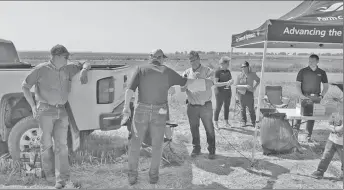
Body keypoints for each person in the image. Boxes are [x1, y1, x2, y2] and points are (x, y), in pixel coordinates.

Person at [122, 49, 196, 185]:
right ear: (161, 59)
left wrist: (126, 107)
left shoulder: (140, 68)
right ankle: (153, 177)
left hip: (141, 109)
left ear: (150, 57)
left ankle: (132, 176)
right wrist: (206, 83)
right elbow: (186, 82)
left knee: (135, 144)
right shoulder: (167, 71)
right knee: (157, 145)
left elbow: (129, 90)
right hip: (160, 111)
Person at [22, 44, 91, 189]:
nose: (68, 59)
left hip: (62, 111)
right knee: (46, 144)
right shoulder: (40, 70)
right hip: (45, 111)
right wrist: (33, 107)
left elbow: (86, 62)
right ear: (57, 56)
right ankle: (49, 176)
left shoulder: (68, 68)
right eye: (66, 57)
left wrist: (84, 69)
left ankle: (62, 180)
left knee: (62, 146)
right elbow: (25, 86)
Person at [181, 51, 216, 160]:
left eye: (194, 59)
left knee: (209, 128)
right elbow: (182, 88)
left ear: (199, 59)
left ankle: (211, 150)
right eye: (190, 60)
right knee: (194, 128)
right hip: (192, 107)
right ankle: (196, 148)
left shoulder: (208, 70)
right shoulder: (186, 72)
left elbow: (210, 84)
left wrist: (195, 81)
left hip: (206, 106)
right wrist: (191, 82)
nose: (192, 62)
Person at [295, 54, 329, 142]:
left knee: (312, 116)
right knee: (299, 116)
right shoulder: (302, 71)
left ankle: (308, 136)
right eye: (309, 61)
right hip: (303, 96)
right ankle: (294, 135)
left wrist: (322, 95)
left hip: (316, 97)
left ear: (317, 61)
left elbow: (326, 86)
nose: (310, 62)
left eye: (312, 61)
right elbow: (298, 85)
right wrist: (301, 95)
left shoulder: (322, 72)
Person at [311, 108, 343, 179]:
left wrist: (335, 128)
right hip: (331, 140)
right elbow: (329, 124)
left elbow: (341, 129)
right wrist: (334, 128)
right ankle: (320, 171)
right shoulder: (335, 113)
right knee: (326, 156)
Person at [235, 61, 260, 128]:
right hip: (241, 93)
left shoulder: (252, 74)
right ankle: (243, 121)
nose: (243, 68)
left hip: (249, 93)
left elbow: (258, 80)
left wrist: (254, 87)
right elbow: (236, 85)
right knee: (242, 109)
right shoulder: (239, 75)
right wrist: (245, 86)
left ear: (248, 67)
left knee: (251, 109)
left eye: (244, 67)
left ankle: (254, 122)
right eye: (242, 67)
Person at [213, 56, 234, 128]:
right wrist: (225, 83)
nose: (228, 65)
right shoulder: (217, 71)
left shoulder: (228, 71)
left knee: (227, 107)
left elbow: (230, 80)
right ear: (223, 63)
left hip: (228, 91)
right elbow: (215, 83)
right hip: (219, 92)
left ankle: (226, 122)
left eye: (228, 63)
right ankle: (216, 123)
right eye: (227, 63)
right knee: (218, 107)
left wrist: (231, 82)